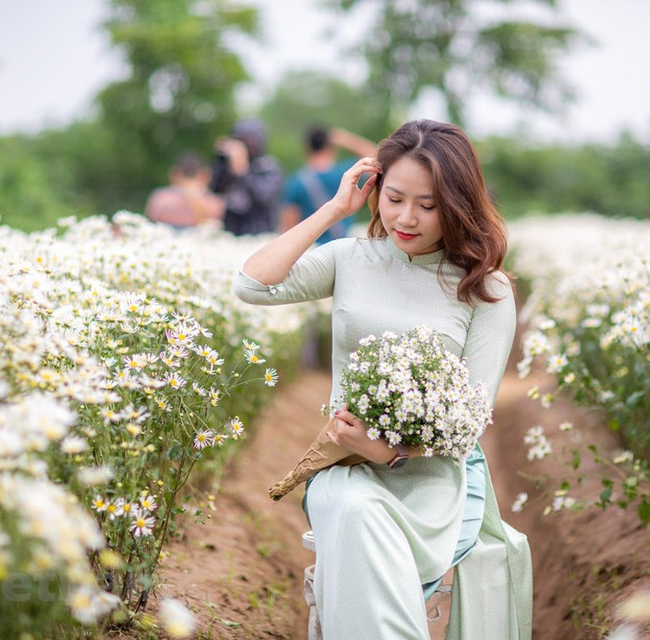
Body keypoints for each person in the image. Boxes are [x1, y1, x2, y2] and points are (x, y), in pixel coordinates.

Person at [233, 119, 532, 639]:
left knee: (364, 525)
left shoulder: (486, 289)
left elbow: (472, 420)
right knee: (354, 507)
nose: (406, 218)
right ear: (375, 190)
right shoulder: (351, 258)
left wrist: (384, 450)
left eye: (428, 205)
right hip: (343, 469)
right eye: (394, 198)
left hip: (429, 483)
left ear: (458, 204)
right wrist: (332, 210)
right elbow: (251, 285)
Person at [279, 126, 378, 243]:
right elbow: (376, 158)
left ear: (306, 150)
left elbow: (288, 228)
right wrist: (345, 139)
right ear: (331, 148)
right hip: (342, 246)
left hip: (312, 251)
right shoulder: (347, 174)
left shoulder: (296, 182)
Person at [210, 119, 283, 236]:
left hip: (260, 235)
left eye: (247, 140)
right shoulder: (230, 165)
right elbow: (214, 189)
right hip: (230, 234)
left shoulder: (269, 167)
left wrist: (243, 171)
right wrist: (221, 161)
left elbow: (264, 197)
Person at [145, 151, 224, 228]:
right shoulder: (215, 202)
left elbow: (152, 217)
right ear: (206, 174)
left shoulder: (160, 197)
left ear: (174, 173)